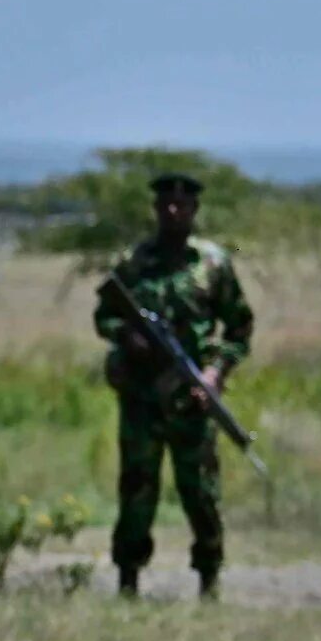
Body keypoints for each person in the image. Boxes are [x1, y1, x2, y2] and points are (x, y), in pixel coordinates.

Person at [94, 171, 255, 600]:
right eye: (166, 204)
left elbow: (240, 329)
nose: (173, 211)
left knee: (201, 493)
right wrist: (128, 337)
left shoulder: (213, 264)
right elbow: (105, 316)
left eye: (181, 206)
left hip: (193, 401)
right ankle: (128, 580)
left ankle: (209, 580)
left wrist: (215, 374)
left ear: (194, 211)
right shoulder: (135, 262)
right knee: (136, 492)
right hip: (142, 400)